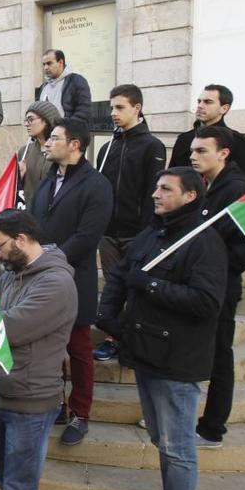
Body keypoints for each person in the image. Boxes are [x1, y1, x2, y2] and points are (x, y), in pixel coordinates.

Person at [97, 167, 226, 490]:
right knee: (160, 438)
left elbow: (206, 302)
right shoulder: (152, 233)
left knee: (177, 448)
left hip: (177, 364)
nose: (156, 194)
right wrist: (108, 314)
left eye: (166, 189)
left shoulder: (205, 242)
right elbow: (121, 275)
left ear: (190, 196)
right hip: (144, 353)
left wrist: (151, 284)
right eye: (157, 187)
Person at [28, 118, 113, 445]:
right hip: (41, 277)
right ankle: (58, 405)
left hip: (74, 279)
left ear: (75, 144)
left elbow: (88, 235)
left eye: (55, 139)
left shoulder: (96, 184)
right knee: (50, 348)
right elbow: (35, 224)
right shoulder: (48, 180)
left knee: (78, 349)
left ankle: (81, 412)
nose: (47, 144)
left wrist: (50, 261)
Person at [0, 210, 78, 490]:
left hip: (30, 401)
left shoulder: (56, 283)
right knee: (4, 480)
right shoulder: (13, 273)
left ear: (21, 239)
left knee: (19, 485)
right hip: (3, 392)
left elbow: (5, 328)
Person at [94, 84, 166, 362]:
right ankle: (114, 337)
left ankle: (136, 341)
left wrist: (150, 231)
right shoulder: (107, 147)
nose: (113, 113)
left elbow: (154, 193)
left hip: (139, 233)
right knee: (114, 286)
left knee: (138, 288)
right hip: (109, 233)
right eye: (112, 107)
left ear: (137, 108)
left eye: (120, 107)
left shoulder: (152, 146)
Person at [189, 126, 245, 448]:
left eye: (201, 151)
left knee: (220, 358)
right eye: (193, 151)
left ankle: (213, 428)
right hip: (196, 285)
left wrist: (211, 267)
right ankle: (178, 414)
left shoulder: (237, 190)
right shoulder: (204, 185)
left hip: (220, 288)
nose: (193, 156)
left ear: (223, 153)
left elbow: (242, 249)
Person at [169, 84, 245, 172]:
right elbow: (172, 174)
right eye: (199, 101)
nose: (200, 106)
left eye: (208, 102)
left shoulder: (237, 141)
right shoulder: (184, 139)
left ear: (224, 108)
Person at [17, 101, 62, 206]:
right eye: (25, 120)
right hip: (27, 212)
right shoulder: (24, 151)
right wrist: (18, 177)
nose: (26, 124)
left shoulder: (60, 151)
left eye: (31, 119)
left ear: (46, 120)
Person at [38, 49, 92, 122]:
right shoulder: (43, 87)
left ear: (60, 62)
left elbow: (83, 112)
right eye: (44, 64)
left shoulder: (77, 81)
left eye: (49, 63)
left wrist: (65, 129)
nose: (45, 68)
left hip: (69, 132)